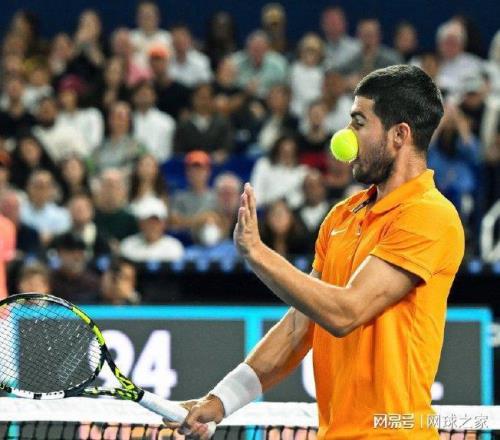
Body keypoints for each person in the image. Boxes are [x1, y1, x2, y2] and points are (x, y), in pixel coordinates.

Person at [169, 65, 465, 440]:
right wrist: (219, 401)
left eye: (359, 122)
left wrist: (258, 253)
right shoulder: (342, 216)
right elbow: (299, 326)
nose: (346, 136)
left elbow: (346, 312)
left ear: (399, 135)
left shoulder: (429, 215)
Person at [120, 197, 184, 263]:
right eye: (148, 222)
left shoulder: (174, 248)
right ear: (140, 223)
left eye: (156, 222)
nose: (152, 226)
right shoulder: (128, 246)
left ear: (164, 224)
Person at [169, 151, 217, 231]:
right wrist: (202, 221)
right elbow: (174, 222)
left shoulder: (216, 197)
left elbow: (220, 223)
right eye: (193, 170)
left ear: (208, 172)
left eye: (200, 170)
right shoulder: (179, 197)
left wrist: (187, 221)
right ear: (187, 172)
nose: (196, 174)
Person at [132, 80, 176, 162]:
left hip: (160, 163)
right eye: (141, 94)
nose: (143, 97)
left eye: (146, 94)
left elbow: (167, 151)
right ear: (134, 97)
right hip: (133, 164)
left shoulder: (166, 121)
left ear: (154, 97)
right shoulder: (129, 119)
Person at [50, 232, 100, 304]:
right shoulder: (49, 281)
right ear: (59, 253)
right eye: (71, 251)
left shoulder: (94, 283)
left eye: (81, 251)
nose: (77, 256)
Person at [320, 6, 360, 71]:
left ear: (344, 24)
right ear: (323, 25)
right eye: (329, 22)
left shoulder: (357, 47)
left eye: (335, 22)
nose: (333, 26)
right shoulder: (320, 50)